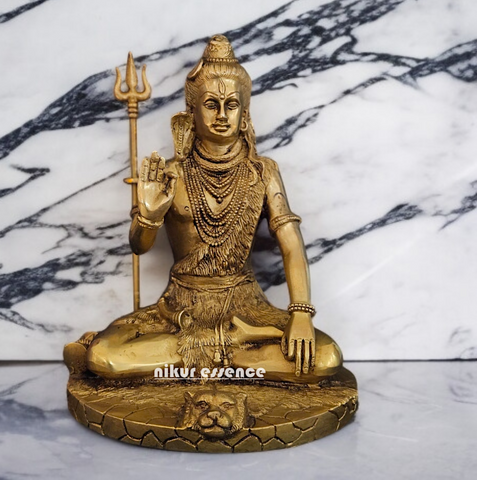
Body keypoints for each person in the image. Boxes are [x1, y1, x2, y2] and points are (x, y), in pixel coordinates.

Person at [64, 35, 342, 382]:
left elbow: (291, 244)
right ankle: (233, 354)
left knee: (326, 356)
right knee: (106, 356)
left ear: (244, 115)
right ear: (191, 114)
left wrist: (300, 313)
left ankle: (204, 355)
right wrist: (149, 216)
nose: (222, 115)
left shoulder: (263, 171)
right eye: (211, 104)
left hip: (245, 308)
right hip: (181, 309)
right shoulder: (172, 173)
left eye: (231, 105)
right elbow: (139, 247)